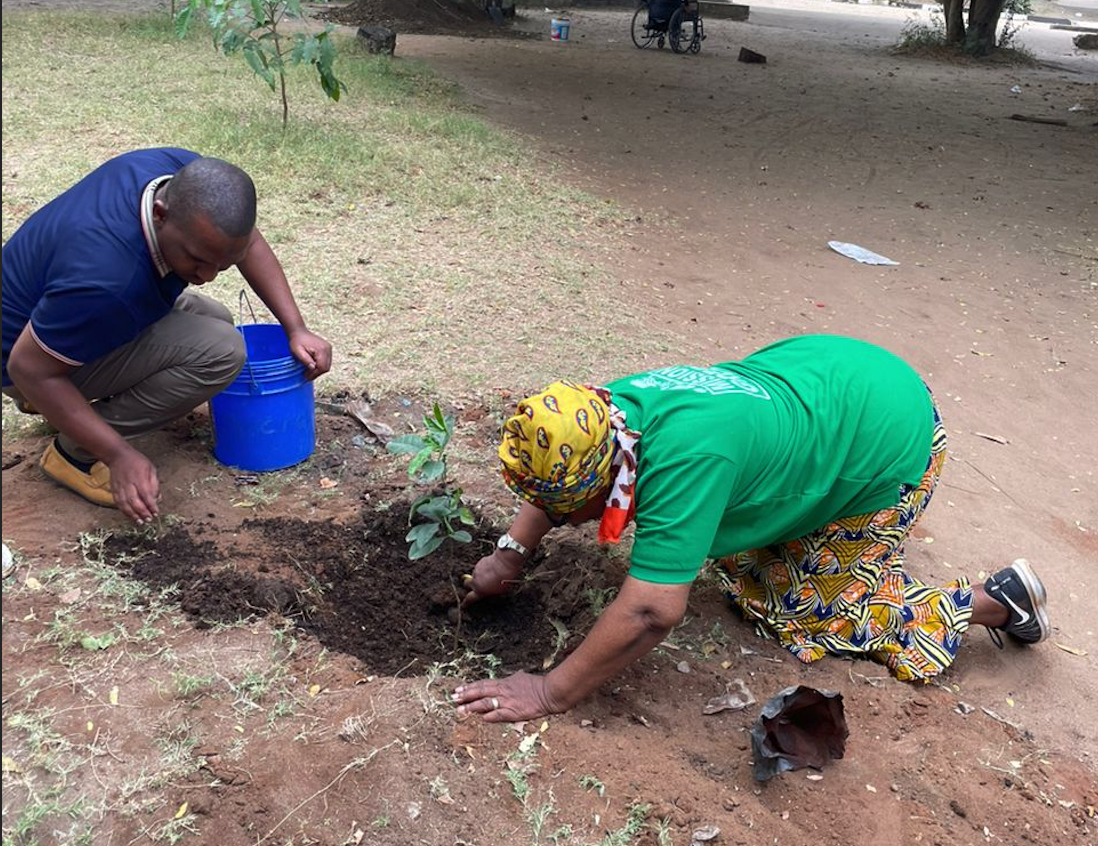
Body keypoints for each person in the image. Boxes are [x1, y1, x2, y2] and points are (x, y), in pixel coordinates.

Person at [452, 335, 1049, 722]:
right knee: (735, 558)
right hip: (840, 376)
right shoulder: (606, 413)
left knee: (798, 608)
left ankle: (997, 603)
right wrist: (509, 555)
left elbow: (650, 612)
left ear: (605, 480)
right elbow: (556, 484)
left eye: (566, 508)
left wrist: (550, 691)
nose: (554, 517)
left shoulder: (687, 465)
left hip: (892, 443)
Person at [2, 148, 332, 524]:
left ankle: (70, 399)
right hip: (21, 361)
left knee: (216, 319)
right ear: (160, 214)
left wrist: (296, 328)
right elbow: (29, 367)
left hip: (46, 320)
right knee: (221, 352)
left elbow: (248, 242)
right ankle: (73, 452)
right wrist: (118, 455)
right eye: (197, 259)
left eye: (221, 264)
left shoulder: (174, 174)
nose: (207, 275)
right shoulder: (107, 282)